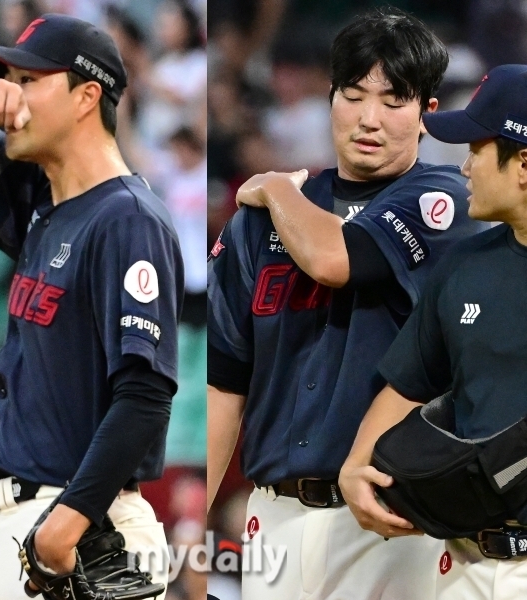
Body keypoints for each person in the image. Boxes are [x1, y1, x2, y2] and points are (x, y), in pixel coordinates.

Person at [207, 7, 489, 599]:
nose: (370, 119)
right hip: (273, 520)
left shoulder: (443, 202)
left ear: (427, 113)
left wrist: (277, 187)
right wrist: (190, 524)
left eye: (394, 101)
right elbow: (225, 381)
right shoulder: (260, 224)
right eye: (354, 94)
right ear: (328, 97)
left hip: (392, 522)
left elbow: (336, 259)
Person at [0, 13, 184, 600]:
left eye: (29, 79)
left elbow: (145, 395)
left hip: (81, 529)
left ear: (87, 97)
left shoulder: (127, 218)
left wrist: (66, 525)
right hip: (20, 529)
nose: (12, 95)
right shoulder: (45, 198)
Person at [339, 63, 527, 600]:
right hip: (462, 563)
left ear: (524, 164)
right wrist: (357, 464)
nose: (464, 166)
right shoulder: (466, 263)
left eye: (477, 150)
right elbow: (410, 383)